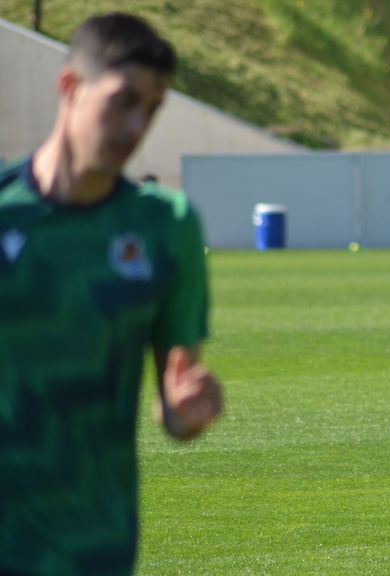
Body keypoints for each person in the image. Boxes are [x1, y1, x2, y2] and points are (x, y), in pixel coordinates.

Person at [0, 13, 223, 574]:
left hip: (94, 544)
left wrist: (185, 413)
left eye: (151, 109)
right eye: (123, 101)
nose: (135, 125)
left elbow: (173, 403)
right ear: (70, 87)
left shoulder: (166, 226)